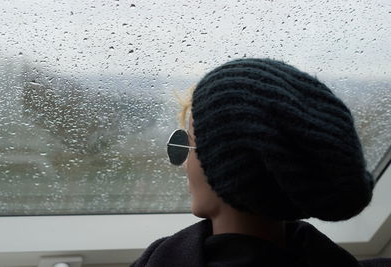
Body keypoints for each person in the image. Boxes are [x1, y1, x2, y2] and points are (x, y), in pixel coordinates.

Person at [131, 58, 382, 266]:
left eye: (190, 142)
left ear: (232, 168)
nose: (184, 163)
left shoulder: (162, 258)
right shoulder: (323, 256)